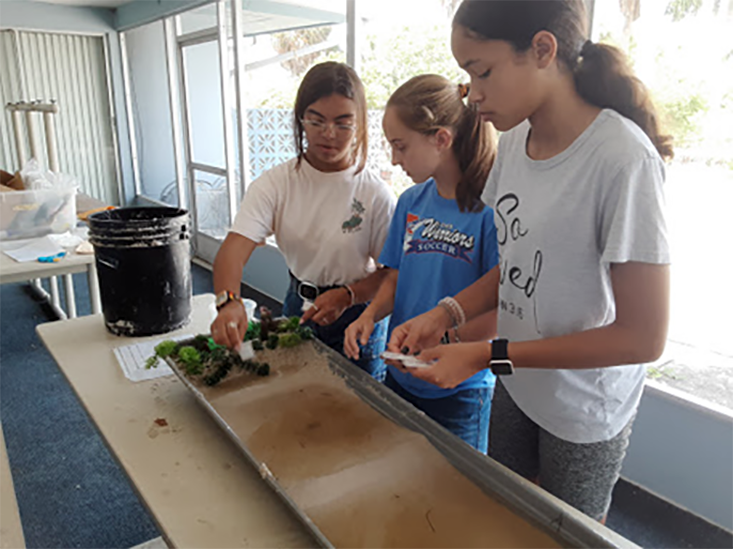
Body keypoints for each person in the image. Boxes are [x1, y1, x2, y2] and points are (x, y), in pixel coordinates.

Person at [388, 0, 673, 522]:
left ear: (543, 49)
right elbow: (520, 263)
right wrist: (445, 313)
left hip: (583, 407)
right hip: (517, 382)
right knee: (505, 518)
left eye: (483, 72)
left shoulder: (621, 161)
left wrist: (485, 355)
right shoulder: (515, 143)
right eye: (468, 77)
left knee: (565, 533)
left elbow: (642, 338)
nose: (473, 96)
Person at [211, 61, 396, 380]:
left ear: (361, 124)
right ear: (301, 119)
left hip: (358, 317)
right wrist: (228, 302)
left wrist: (347, 295)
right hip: (300, 305)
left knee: (361, 414)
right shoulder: (276, 183)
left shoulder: (374, 193)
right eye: (316, 120)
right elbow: (233, 251)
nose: (328, 134)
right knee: (297, 395)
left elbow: (391, 274)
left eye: (343, 123)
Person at [344, 74, 499, 452]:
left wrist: (444, 339)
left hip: (460, 388)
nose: (395, 160)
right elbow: (395, 279)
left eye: (401, 146)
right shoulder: (411, 202)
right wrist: (368, 316)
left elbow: (499, 310)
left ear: (441, 139)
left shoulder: (491, 211)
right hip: (400, 375)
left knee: (456, 494)